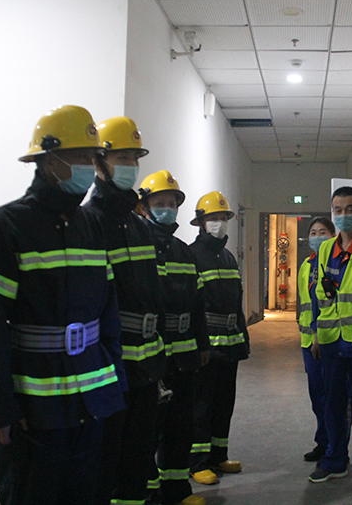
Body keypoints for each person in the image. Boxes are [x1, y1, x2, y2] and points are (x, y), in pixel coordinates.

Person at [0, 105, 126, 505]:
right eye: (78, 156)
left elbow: (107, 314)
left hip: (93, 399)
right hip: (34, 410)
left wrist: (115, 383)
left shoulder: (91, 225)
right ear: (49, 160)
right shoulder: (4, 226)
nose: (88, 166)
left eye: (91, 157)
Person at [84, 116, 166, 505]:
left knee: (137, 459)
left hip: (145, 367)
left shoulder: (140, 226)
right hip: (109, 368)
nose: (131, 165)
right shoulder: (88, 222)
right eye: (122, 157)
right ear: (99, 162)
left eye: (135, 157)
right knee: (105, 465)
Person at [138, 170, 210, 505]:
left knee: (180, 426)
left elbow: (197, 304)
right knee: (147, 429)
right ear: (144, 207)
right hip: (149, 357)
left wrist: (202, 344)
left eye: (171, 203)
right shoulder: (137, 248)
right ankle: (149, 491)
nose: (167, 209)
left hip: (183, 356)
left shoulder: (184, 252)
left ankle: (177, 489)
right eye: (160, 203)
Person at [310, 187, 352, 493]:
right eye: (338, 210)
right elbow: (320, 295)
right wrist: (316, 334)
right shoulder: (325, 250)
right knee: (333, 404)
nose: (343, 215)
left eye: (350, 209)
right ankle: (334, 459)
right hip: (330, 341)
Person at [188, 191, 249, 485]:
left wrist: (243, 339)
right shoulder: (191, 255)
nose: (219, 223)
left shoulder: (227, 257)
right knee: (201, 406)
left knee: (225, 403)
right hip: (205, 347)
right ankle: (197, 462)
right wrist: (197, 343)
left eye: (223, 218)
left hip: (229, 346)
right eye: (213, 218)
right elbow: (191, 304)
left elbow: (236, 303)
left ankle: (218, 455)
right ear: (201, 222)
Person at [297, 216, 336, 464]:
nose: (317, 237)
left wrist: (319, 336)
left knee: (333, 398)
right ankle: (323, 442)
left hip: (327, 339)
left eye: (323, 232)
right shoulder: (306, 265)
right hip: (307, 341)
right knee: (317, 396)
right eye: (313, 232)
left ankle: (334, 446)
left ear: (333, 235)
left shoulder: (335, 263)